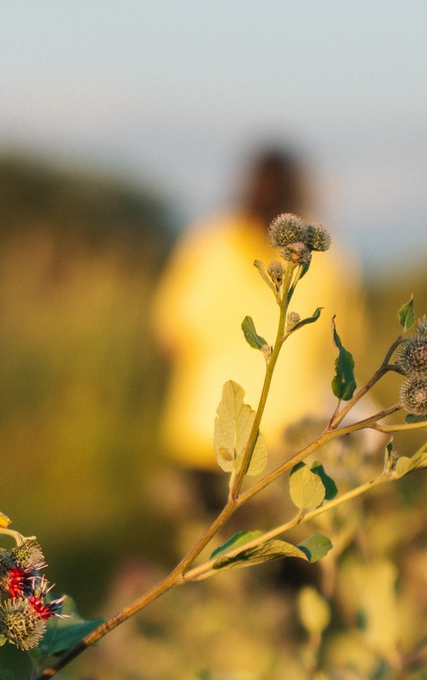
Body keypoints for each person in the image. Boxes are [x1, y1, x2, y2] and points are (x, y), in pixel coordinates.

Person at [153, 147, 361, 509]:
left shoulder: (208, 245)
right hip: (293, 437)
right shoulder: (332, 258)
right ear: (301, 189)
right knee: (283, 554)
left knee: (205, 552)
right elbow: (345, 349)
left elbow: (170, 335)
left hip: (207, 433)